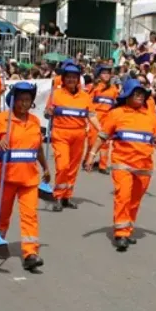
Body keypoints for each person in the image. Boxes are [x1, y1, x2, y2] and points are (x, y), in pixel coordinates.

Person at [84, 78, 156, 252]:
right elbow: (103, 136)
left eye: (142, 94)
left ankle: (127, 229)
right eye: (136, 93)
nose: (140, 96)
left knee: (134, 201)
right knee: (123, 196)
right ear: (127, 95)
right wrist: (92, 155)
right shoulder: (116, 114)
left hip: (144, 165)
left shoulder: (149, 116)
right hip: (122, 164)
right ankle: (121, 233)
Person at [0, 82, 50, 271]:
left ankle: (31, 253)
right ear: (13, 101)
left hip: (29, 179)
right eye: (20, 100)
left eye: (28, 100)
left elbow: (37, 148)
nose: (24, 104)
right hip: (6, 178)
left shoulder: (35, 122)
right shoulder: (2, 119)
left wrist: (45, 167)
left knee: (30, 216)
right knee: (2, 214)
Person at [44, 61, 100, 212]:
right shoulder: (55, 94)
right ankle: (58, 196)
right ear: (63, 79)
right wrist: (48, 113)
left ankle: (67, 196)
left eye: (74, 77)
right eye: (68, 77)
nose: (71, 80)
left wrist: (101, 130)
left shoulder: (85, 96)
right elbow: (47, 111)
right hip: (60, 134)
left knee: (73, 168)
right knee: (63, 166)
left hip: (79, 135)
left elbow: (92, 115)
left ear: (78, 79)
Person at [87, 63, 119, 174]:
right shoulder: (94, 87)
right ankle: (88, 159)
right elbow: (88, 102)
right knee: (92, 140)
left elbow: (116, 103)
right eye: (104, 73)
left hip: (108, 117)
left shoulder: (114, 88)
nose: (106, 75)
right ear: (99, 74)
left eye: (108, 73)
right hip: (95, 116)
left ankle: (103, 165)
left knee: (105, 142)